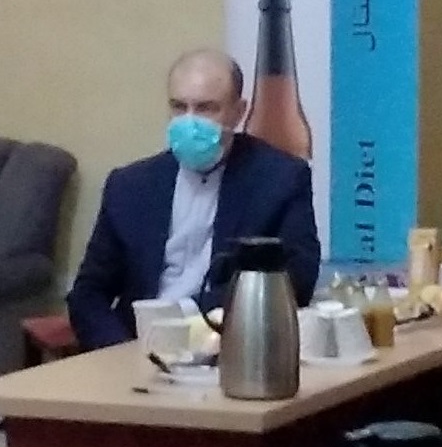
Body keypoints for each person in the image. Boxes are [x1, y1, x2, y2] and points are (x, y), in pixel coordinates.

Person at [63, 49, 321, 351]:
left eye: (205, 108)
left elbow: (295, 281)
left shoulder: (280, 179)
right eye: (178, 107)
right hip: (135, 346)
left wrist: (183, 315)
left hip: (230, 345)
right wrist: (119, 350)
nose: (189, 121)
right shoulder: (130, 185)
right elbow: (88, 293)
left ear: (238, 112)